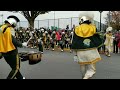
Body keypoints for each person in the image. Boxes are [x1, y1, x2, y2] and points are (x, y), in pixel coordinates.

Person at [71, 11, 102, 79]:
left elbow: (74, 40)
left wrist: (75, 53)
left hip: (80, 52)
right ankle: (86, 77)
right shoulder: (93, 28)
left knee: (82, 66)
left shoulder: (76, 28)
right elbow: (98, 39)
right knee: (91, 69)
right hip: (91, 51)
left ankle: (83, 77)